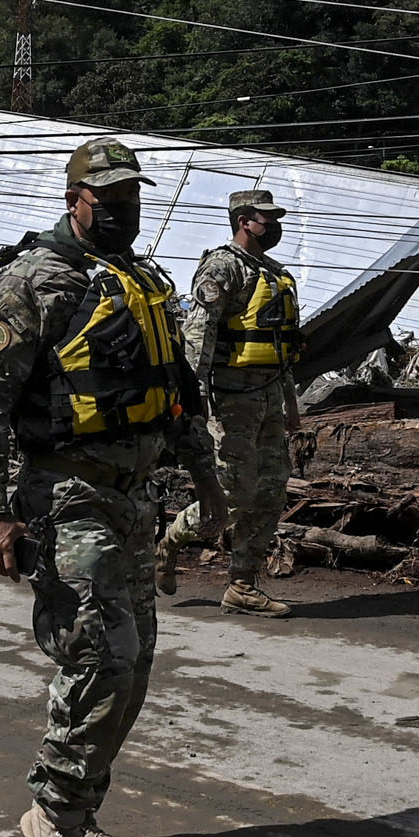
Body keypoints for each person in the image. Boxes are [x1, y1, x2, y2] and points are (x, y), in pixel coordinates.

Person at [0, 137, 227, 837]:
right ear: (75, 198)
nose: (122, 213)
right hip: (66, 495)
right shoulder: (33, 281)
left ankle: (77, 806)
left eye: (132, 200)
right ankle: (53, 818)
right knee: (101, 658)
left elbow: (174, 388)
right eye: (108, 201)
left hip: (133, 497)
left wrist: (206, 479)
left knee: (133, 666)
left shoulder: (140, 281)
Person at [159, 189, 303, 616]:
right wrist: (194, 394)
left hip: (271, 393)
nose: (274, 226)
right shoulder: (222, 266)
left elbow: (281, 343)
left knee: (272, 488)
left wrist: (291, 404)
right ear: (244, 220)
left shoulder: (274, 272)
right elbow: (199, 331)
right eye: (266, 219)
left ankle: (243, 585)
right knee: (236, 492)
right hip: (232, 397)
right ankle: (170, 539)